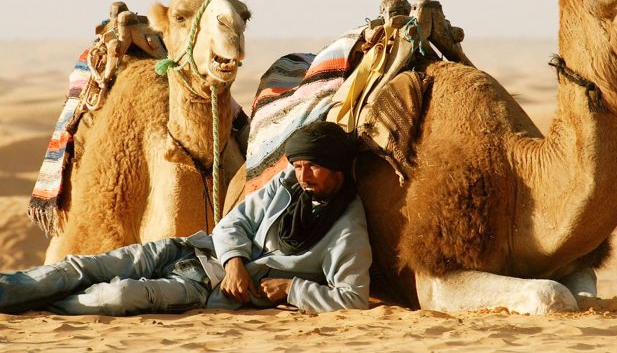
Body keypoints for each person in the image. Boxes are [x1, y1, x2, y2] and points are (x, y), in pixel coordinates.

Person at [0, 121, 371, 316]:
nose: (304, 176)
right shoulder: (288, 184)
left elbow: (352, 298)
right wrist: (235, 262)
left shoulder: (345, 231)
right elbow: (233, 223)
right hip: (187, 248)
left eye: (315, 167)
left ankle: (33, 303)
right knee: (76, 269)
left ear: (338, 169)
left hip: (202, 288)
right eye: (300, 165)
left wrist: (292, 289)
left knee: (115, 297)